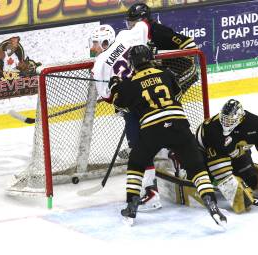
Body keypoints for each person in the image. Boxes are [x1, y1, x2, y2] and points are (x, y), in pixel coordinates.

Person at [109, 45, 227, 226]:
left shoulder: (129, 83)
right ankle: (212, 205)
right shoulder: (166, 73)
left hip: (152, 130)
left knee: (136, 164)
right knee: (197, 168)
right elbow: (177, 93)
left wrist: (116, 86)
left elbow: (119, 107)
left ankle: (131, 207)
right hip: (179, 125)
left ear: (132, 63)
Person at [116, 2, 199, 210]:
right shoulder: (137, 36)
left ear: (143, 20)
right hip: (161, 82)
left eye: (133, 21)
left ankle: (173, 158)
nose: (130, 25)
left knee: (165, 121)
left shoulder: (158, 31)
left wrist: (159, 59)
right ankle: (165, 154)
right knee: (156, 120)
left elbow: (190, 46)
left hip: (177, 78)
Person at [91, 24, 161, 211]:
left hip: (133, 109)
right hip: (154, 94)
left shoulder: (99, 64)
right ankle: (183, 170)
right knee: (169, 133)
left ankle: (151, 194)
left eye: (95, 44)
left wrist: (120, 95)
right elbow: (144, 26)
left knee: (139, 150)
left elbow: (107, 97)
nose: (93, 48)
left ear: (105, 42)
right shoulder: (125, 36)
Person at [195, 99, 258, 213]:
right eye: (224, 119)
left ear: (240, 118)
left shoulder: (257, 124)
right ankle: (206, 178)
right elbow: (217, 164)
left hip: (236, 154)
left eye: (230, 120)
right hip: (204, 155)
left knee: (252, 182)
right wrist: (230, 186)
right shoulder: (212, 128)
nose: (226, 123)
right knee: (236, 194)